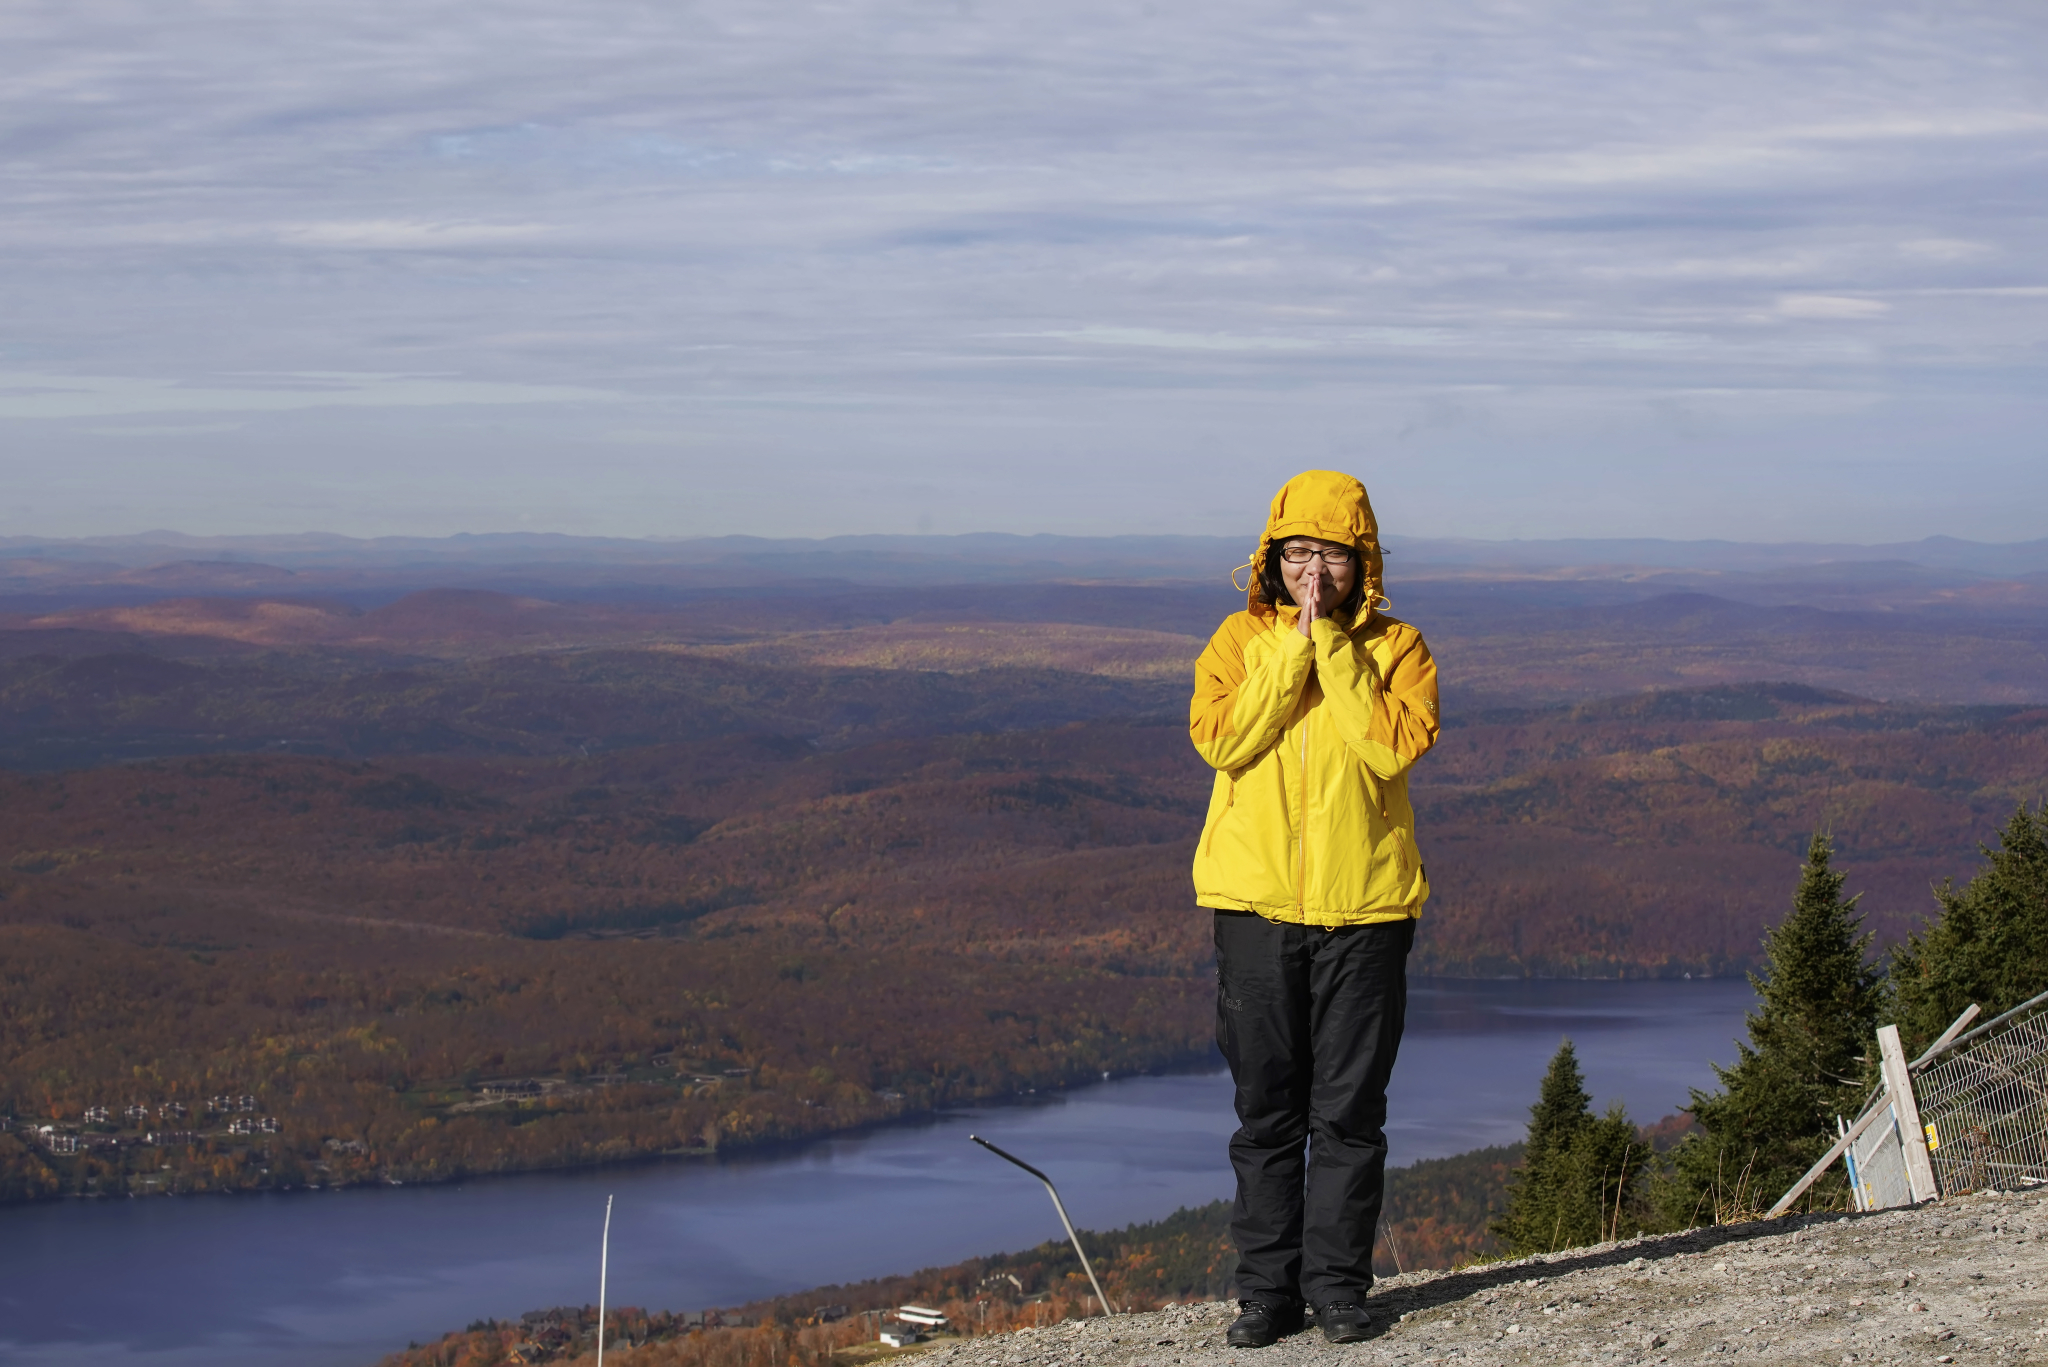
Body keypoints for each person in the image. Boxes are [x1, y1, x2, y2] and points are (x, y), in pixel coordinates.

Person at [1189, 470, 1440, 1347]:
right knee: (1266, 1113)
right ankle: (1268, 1295)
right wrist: (1291, 650)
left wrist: (1331, 646)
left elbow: (1388, 746)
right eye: (1298, 552)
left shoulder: (1399, 648)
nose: (1313, 569)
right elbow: (1222, 738)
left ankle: (1338, 1289)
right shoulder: (1234, 641)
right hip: (1253, 908)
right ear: (1272, 556)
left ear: (1360, 560)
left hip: (1366, 911)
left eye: (1332, 553)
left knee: (1349, 1112)